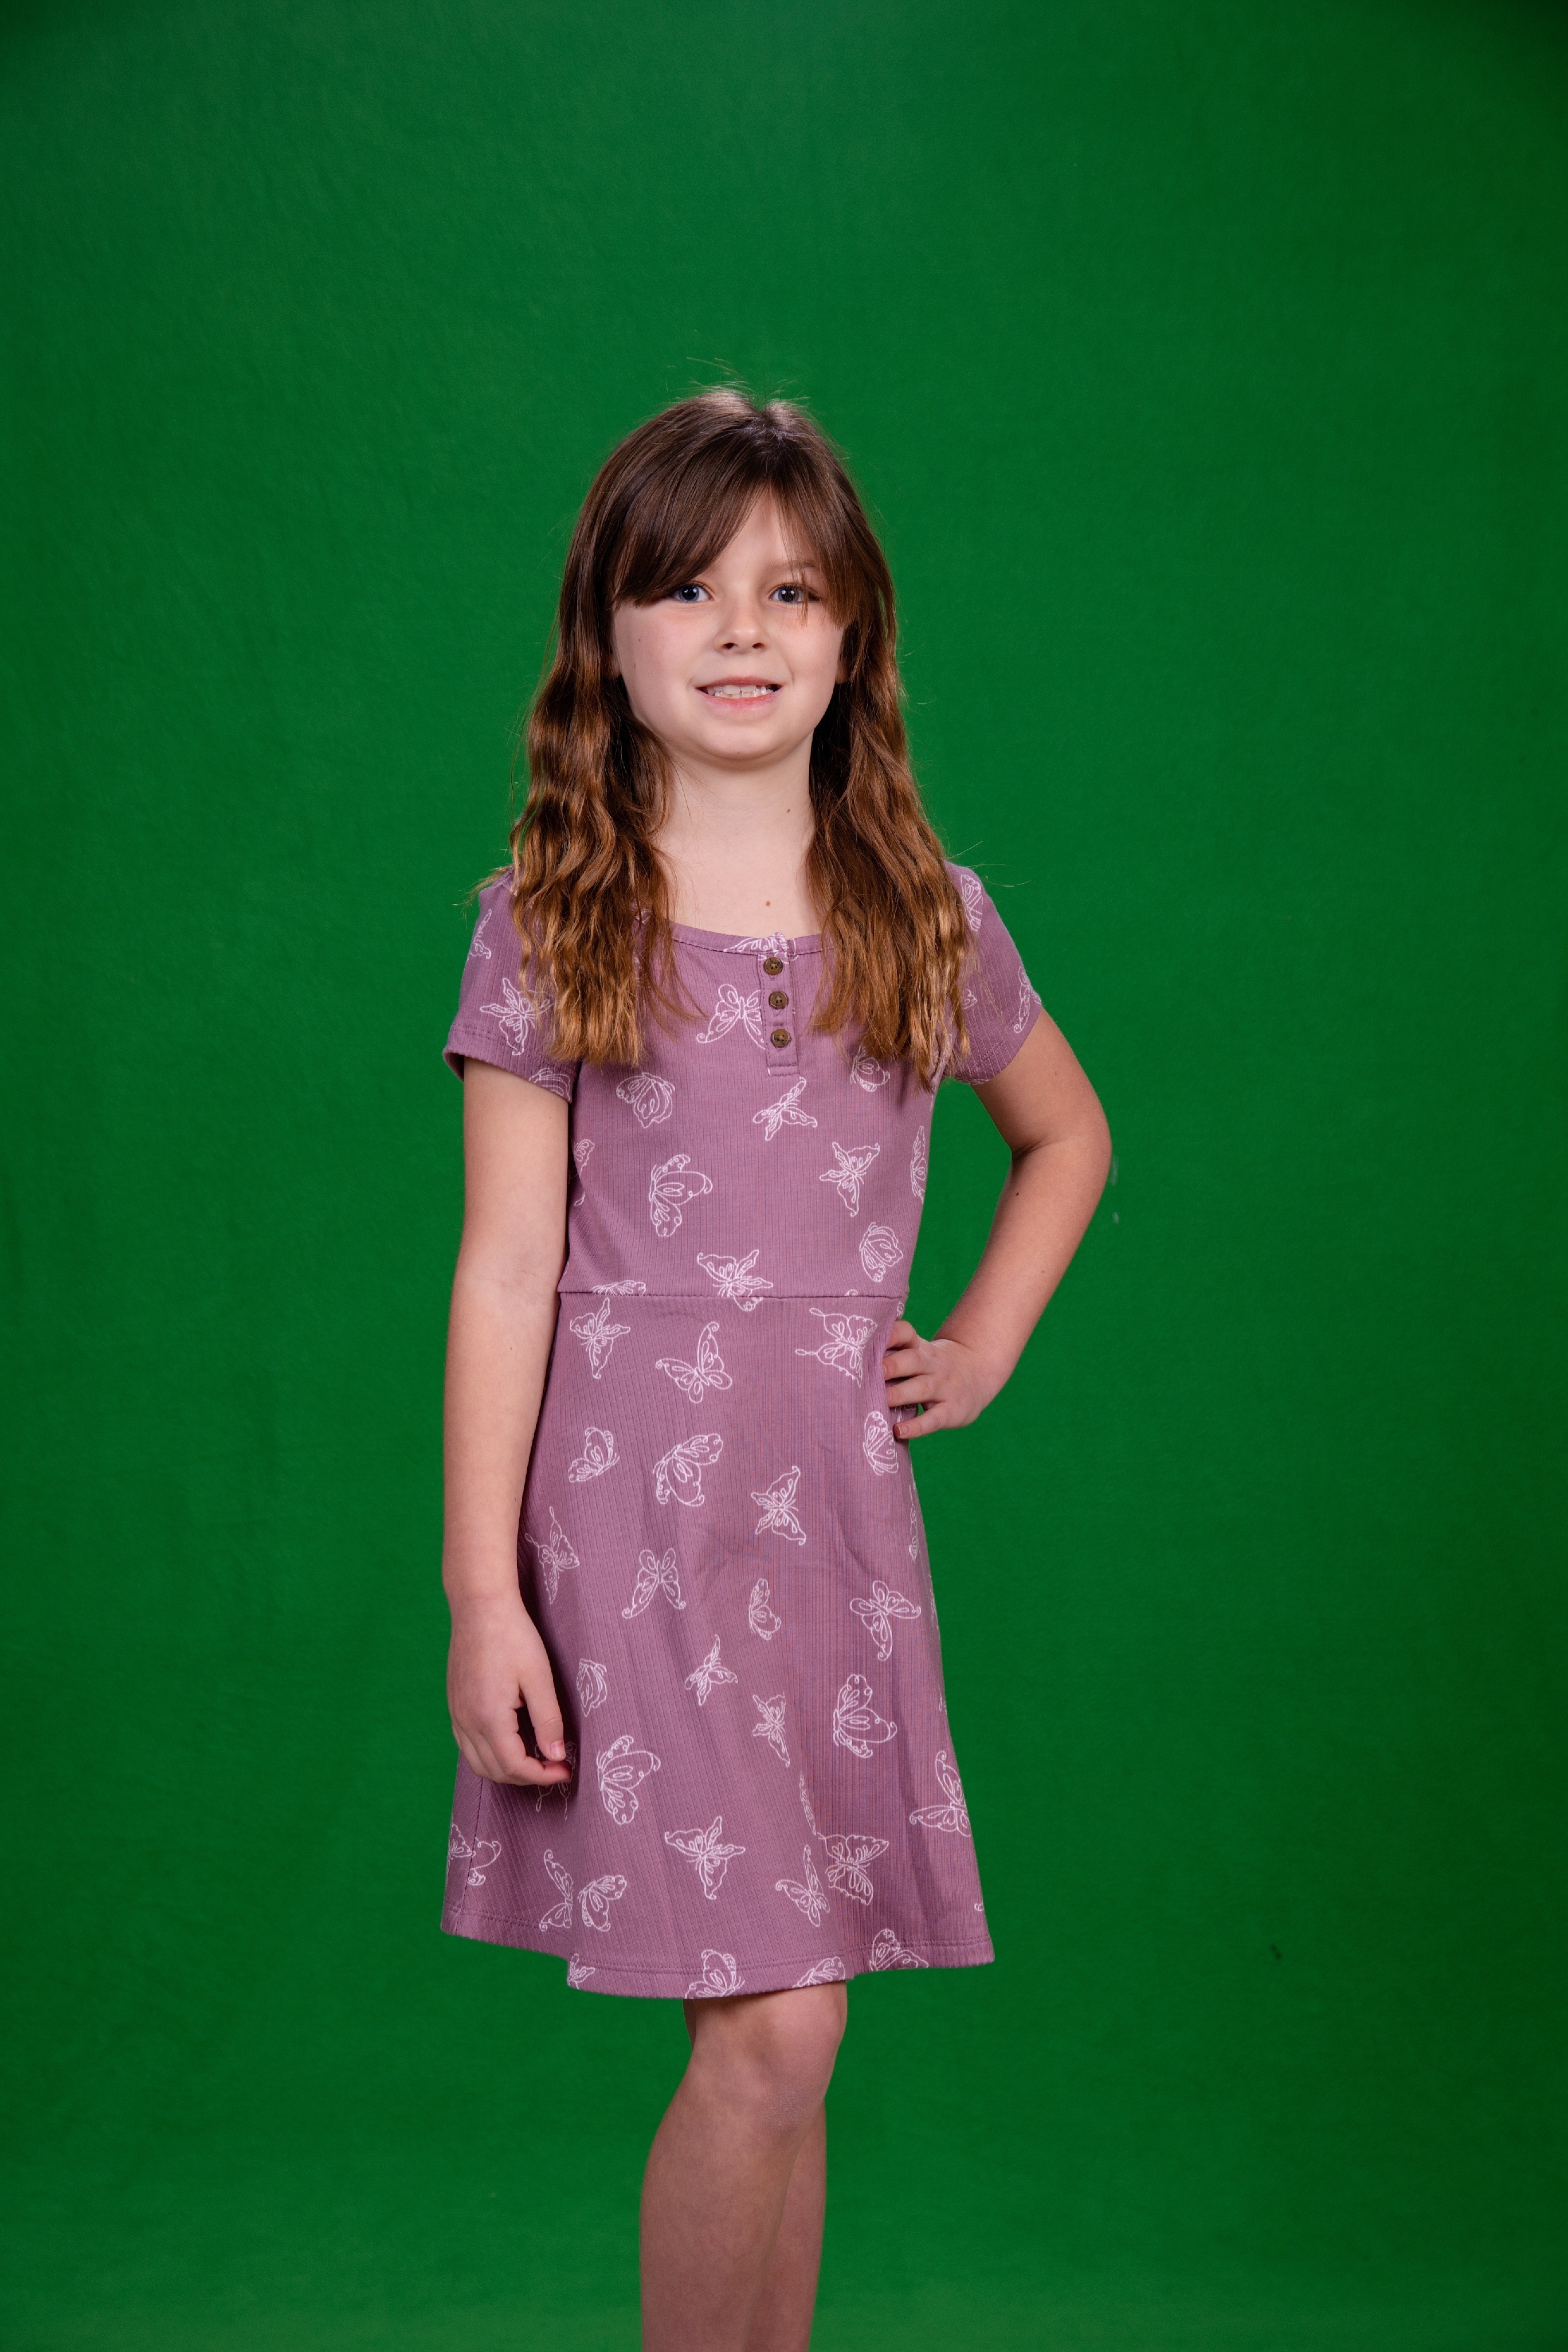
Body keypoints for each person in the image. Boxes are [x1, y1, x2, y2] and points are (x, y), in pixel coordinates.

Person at [439, 388, 1111, 2352]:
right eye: (690, 590)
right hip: (629, 1525)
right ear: (610, 635)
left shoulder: (930, 919)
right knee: (778, 2026)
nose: (743, 630)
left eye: (791, 593)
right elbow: (506, 1268)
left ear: (852, 636)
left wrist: (979, 1342)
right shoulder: (552, 924)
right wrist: (483, 1593)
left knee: (796, 2034)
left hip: (829, 1528)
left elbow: (1068, 1135)